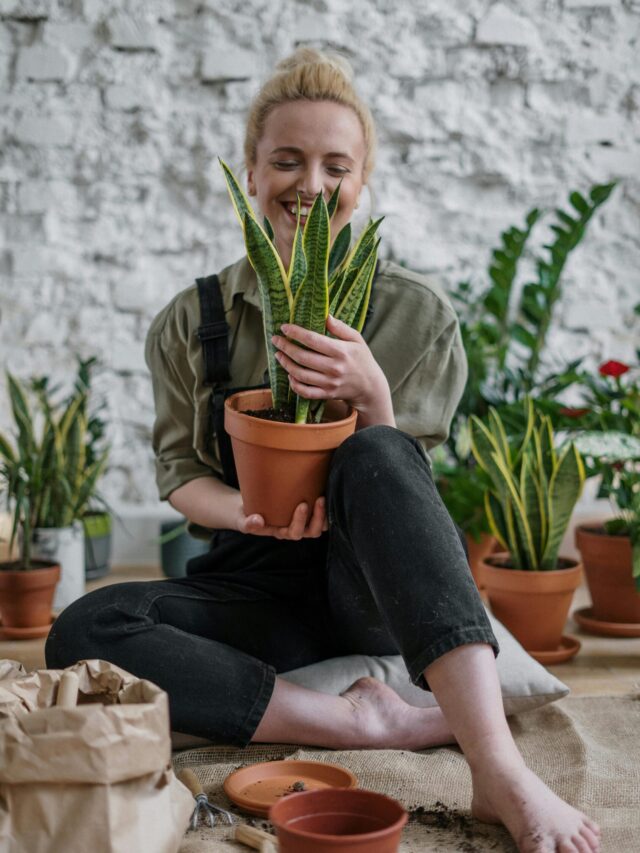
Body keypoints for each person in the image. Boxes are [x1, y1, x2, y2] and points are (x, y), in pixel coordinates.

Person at [46, 49, 600, 853]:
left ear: (363, 179)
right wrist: (254, 513)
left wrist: (371, 396)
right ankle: (359, 720)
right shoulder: (189, 321)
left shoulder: (417, 316)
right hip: (253, 578)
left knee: (376, 454)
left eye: (335, 165)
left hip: (367, 590)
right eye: (286, 160)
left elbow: (409, 494)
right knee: (84, 627)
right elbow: (180, 478)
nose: (309, 183)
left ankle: (499, 768)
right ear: (252, 170)